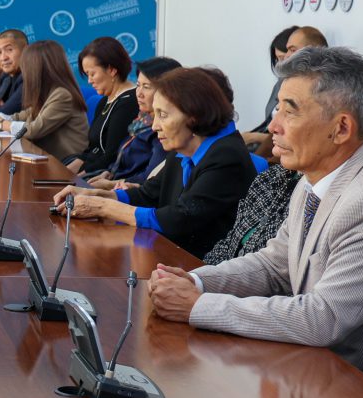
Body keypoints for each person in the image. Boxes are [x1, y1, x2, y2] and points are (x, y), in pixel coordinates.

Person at [147, 46, 363, 398]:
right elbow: (274, 266)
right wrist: (195, 281)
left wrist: (197, 305)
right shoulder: (312, 180)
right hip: (332, 378)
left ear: (341, 128)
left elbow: (324, 318)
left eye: (290, 111)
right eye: (277, 108)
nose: (273, 126)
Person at [64, 67, 253, 259]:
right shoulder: (184, 146)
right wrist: (96, 195)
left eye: (162, 115)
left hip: (203, 266)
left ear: (194, 116)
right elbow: (148, 194)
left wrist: (103, 207)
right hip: (172, 257)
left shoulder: (227, 157)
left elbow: (180, 218)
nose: (155, 126)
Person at [0, 39, 87, 164]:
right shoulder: (47, 91)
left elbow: (34, 130)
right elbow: (24, 115)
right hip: (47, 160)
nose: (24, 72)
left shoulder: (62, 95)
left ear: (38, 68)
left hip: (67, 164)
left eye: (26, 66)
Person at [84, 55, 181, 188]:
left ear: (167, 90)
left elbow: (150, 178)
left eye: (146, 87)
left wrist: (111, 184)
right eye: (138, 85)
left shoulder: (163, 130)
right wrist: (109, 173)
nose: (139, 93)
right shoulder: (142, 120)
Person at [243, 25, 324, 154]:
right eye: (280, 57)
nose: (287, 57)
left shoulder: (322, 90)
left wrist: (254, 138)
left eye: (292, 50)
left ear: (314, 50)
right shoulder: (282, 82)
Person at [72, 36, 138, 175]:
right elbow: (91, 150)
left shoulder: (129, 102)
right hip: (90, 168)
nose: (89, 81)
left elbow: (111, 157)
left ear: (111, 70)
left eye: (92, 74)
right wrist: (65, 173)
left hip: (104, 175)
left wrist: (75, 178)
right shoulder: (104, 101)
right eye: (87, 75)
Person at [249, 25, 301, 134]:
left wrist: (255, 137)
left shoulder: (306, 89)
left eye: (283, 57)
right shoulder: (280, 84)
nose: (279, 64)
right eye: (278, 59)